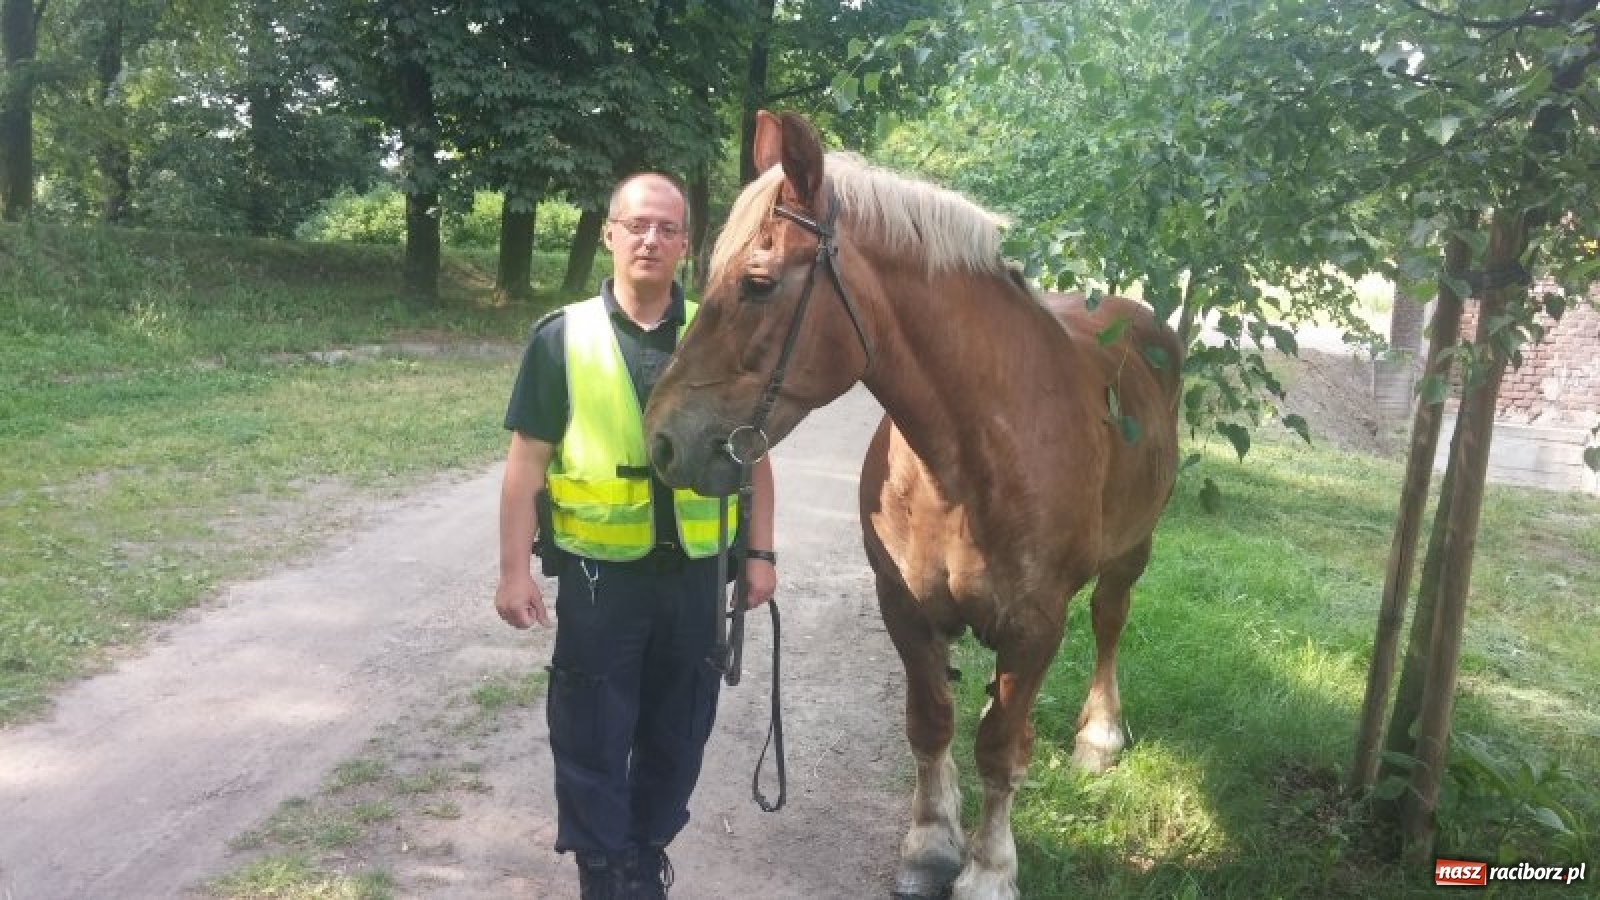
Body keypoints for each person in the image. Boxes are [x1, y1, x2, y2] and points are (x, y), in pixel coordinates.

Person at [493, 172, 777, 900]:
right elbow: (526, 464)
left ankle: (645, 856)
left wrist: (760, 552)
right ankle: (603, 871)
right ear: (611, 233)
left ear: (686, 244)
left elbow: (755, 453)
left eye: (668, 229)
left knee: (680, 727)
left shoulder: (716, 332)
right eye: (638, 225)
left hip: (697, 574)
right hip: (599, 576)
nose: (652, 239)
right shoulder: (563, 338)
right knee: (590, 729)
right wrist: (512, 572)